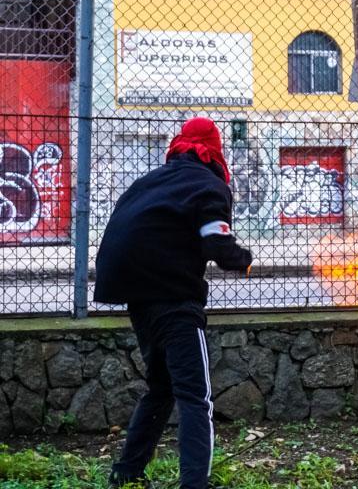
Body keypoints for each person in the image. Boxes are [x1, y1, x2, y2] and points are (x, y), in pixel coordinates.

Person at [94, 117, 253, 489]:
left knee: (161, 388)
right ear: (214, 152)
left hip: (138, 298)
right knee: (196, 397)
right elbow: (216, 245)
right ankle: (195, 484)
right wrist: (242, 258)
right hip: (175, 300)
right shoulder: (208, 186)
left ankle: (126, 473)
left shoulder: (149, 182)